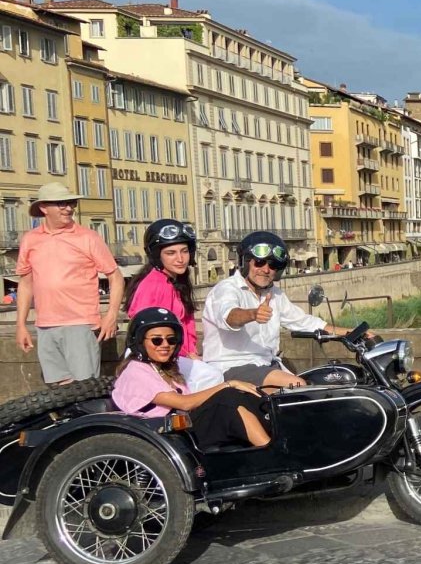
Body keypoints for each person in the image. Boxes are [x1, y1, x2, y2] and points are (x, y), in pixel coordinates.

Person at [201, 231, 360, 388]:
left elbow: (304, 322)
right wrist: (253, 314)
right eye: (259, 262)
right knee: (296, 386)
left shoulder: (274, 294)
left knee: (326, 383)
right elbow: (229, 316)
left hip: (266, 365)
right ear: (245, 262)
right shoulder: (226, 289)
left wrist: (352, 333)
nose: (266, 269)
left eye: (273, 265)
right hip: (231, 366)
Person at [112, 307, 271, 449]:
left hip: (180, 427)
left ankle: (275, 442)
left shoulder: (166, 369)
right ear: (139, 342)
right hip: (163, 433)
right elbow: (185, 403)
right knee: (227, 398)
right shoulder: (135, 371)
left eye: (171, 339)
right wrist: (228, 384)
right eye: (157, 340)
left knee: (243, 397)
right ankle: (269, 450)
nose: (165, 344)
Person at [14, 182, 124, 386]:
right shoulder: (30, 239)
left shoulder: (88, 237)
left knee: (84, 388)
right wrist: (21, 325)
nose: (69, 208)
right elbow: (26, 283)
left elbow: (115, 276)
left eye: (71, 203)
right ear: (43, 208)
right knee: (57, 389)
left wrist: (111, 315)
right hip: (45, 325)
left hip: (80, 323)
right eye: (61, 204)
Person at [126, 219, 203, 357]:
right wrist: (186, 355)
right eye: (171, 253)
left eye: (184, 251)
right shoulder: (155, 285)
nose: (180, 259)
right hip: (160, 357)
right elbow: (146, 330)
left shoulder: (175, 282)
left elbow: (187, 324)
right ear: (157, 256)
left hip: (176, 355)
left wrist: (191, 352)